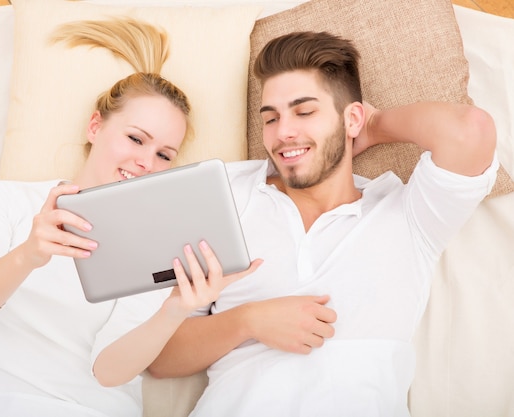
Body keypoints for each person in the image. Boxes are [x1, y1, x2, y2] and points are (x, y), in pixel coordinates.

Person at [97, 30, 499, 416]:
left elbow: (469, 131)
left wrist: (374, 127)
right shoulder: (227, 196)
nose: (283, 133)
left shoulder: (408, 214)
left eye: (304, 111)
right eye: (270, 118)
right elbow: (162, 360)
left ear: (351, 117)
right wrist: (249, 321)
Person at [0, 18, 257, 417]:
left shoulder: (158, 246)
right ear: (95, 126)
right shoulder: (8, 200)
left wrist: (175, 308)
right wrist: (29, 253)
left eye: (164, 154)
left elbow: (108, 373)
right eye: (135, 138)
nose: (146, 162)